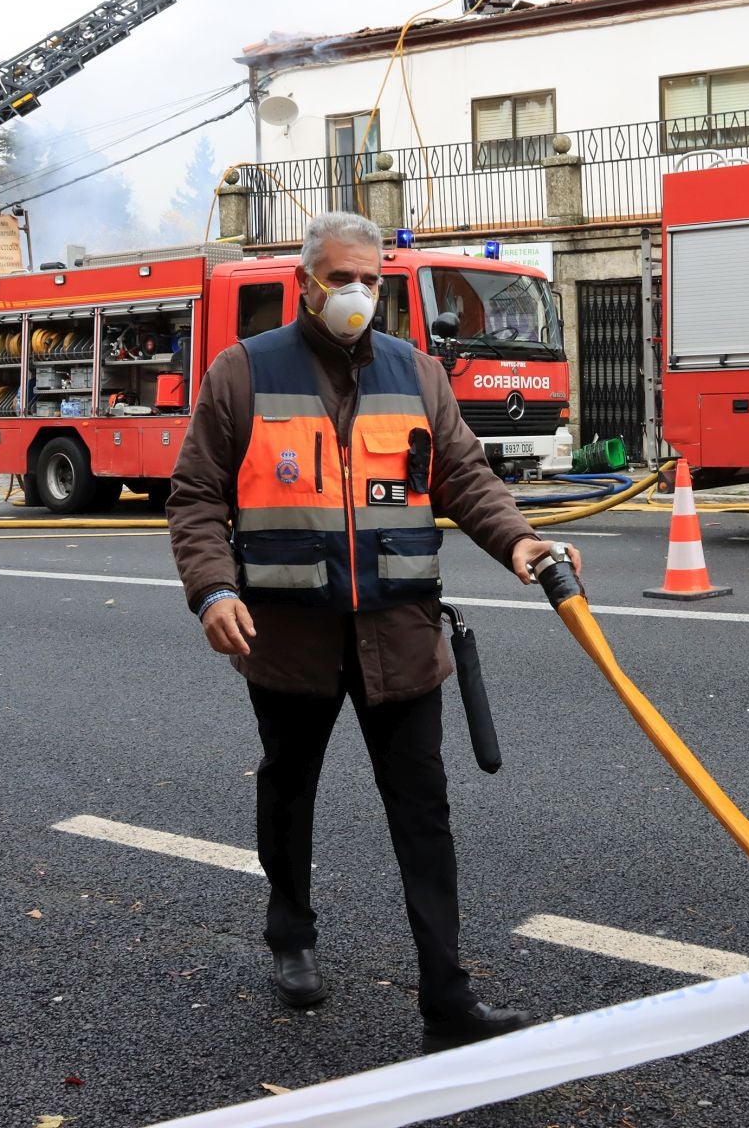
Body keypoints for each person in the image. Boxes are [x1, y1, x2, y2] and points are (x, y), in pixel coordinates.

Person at [166, 210, 580, 1054]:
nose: (355, 293)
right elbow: (197, 496)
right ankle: (291, 936)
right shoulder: (241, 373)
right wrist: (212, 591)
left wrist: (523, 545)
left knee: (424, 814)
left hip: (400, 634)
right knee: (288, 792)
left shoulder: (417, 373)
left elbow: (466, 477)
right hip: (287, 639)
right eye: (339, 278)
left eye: (369, 279)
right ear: (305, 283)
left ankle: (447, 996)